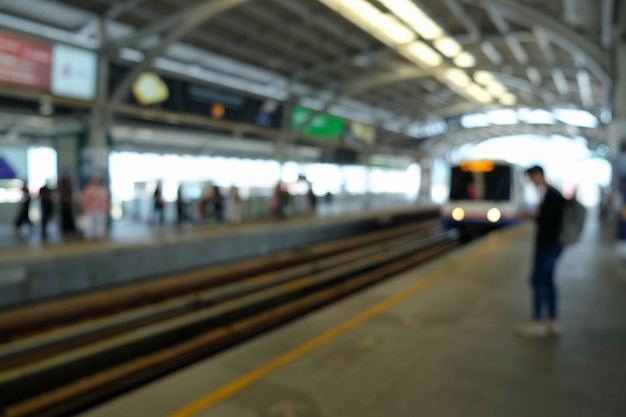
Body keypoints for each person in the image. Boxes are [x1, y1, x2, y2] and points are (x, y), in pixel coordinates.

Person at [517, 165, 566, 337]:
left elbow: (546, 221)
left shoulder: (551, 195)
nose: (531, 182)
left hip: (547, 245)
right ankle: (552, 319)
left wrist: (527, 215)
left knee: (537, 280)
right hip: (553, 244)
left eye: (531, 178)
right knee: (548, 281)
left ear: (538, 175)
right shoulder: (553, 194)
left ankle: (537, 321)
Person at [80, 176, 109, 240]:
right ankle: (89, 237)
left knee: (99, 224)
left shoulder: (102, 190)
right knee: (89, 224)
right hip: (90, 210)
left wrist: (105, 208)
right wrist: (84, 207)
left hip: (100, 210)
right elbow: (84, 200)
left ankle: (99, 236)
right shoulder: (87, 190)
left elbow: (105, 200)